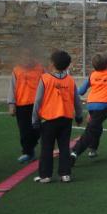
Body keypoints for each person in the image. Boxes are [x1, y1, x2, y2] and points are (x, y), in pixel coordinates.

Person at [32, 50, 84, 184]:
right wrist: (79, 116)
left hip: (49, 120)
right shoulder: (70, 80)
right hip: (66, 119)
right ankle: (65, 174)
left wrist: (35, 119)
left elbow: (38, 101)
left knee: (46, 148)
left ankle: (45, 175)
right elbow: (77, 101)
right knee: (64, 147)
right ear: (67, 65)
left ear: (52, 64)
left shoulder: (45, 78)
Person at [7, 44, 44, 163]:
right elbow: (12, 87)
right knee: (24, 131)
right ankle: (27, 152)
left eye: (29, 56)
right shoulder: (16, 70)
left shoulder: (40, 69)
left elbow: (47, 85)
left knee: (36, 129)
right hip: (21, 105)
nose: (26, 59)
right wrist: (11, 104)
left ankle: (31, 147)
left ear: (33, 57)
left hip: (37, 105)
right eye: (23, 56)